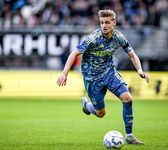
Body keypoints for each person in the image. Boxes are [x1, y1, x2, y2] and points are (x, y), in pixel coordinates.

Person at [56, 9, 150, 145]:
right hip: (92, 78)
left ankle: (129, 135)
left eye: (107, 22)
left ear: (114, 23)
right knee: (101, 113)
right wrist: (64, 73)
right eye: (101, 23)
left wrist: (140, 70)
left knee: (127, 98)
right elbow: (74, 53)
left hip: (109, 72)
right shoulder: (93, 38)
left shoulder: (119, 37)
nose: (104, 26)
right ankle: (87, 105)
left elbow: (133, 55)